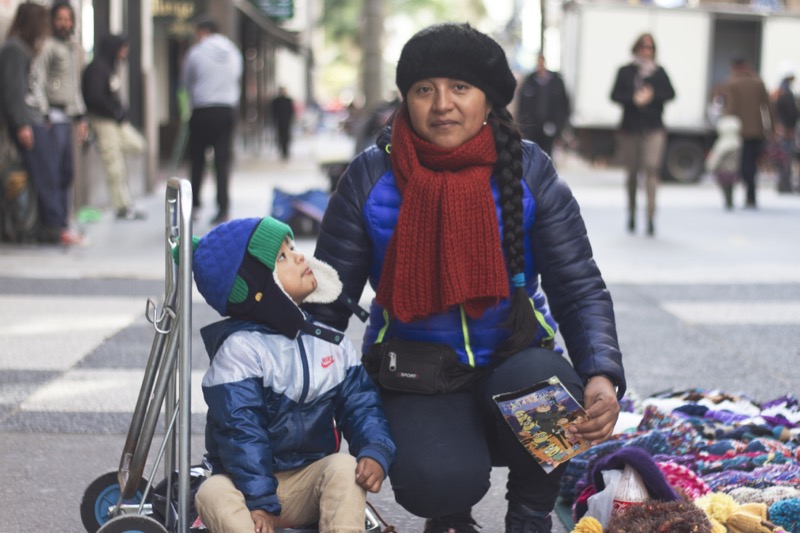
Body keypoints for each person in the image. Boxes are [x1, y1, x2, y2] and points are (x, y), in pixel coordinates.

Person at [308, 23, 625, 533]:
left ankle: (529, 514)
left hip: (514, 357)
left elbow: (578, 284)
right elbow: (325, 300)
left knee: (546, 385)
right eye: (423, 90)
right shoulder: (370, 178)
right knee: (436, 478)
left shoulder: (528, 171)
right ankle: (450, 518)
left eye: (460, 88)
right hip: (416, 373)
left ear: (488, 100)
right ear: (406, 100)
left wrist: (603, 374)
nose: (442, 105)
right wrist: (296, 389)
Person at [190, 216, 396, 533]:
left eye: (293, 248)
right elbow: (242, 433)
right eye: (282, 257)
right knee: (212, 492)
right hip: (245, 488)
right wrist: (260, 503)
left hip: (305, 481)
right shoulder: (240, 350)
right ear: (257, 288)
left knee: (343, 467)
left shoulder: (329, 343)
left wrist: (375, 450)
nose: (299, 256)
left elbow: (361, 404)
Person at [0, 2, 83, 245]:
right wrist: (23, 124)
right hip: (28, 123)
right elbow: (14, 93)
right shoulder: (15, 49)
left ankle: (54, 226)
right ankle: (55, 229)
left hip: (35, 120)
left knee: (51, 174)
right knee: (46, 175)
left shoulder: (22, 48)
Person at [610, 33, 675, 236]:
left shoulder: (659, 72)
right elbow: (614, 95)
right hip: (631, 129)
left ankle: (650, 216)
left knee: (652, 170)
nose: (647, 51)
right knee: (632, 173)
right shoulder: (625, 71)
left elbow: (671, 93)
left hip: (653, 129)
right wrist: (634, 98)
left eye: (651, 48)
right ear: (637, 48)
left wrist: (652, 96)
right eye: (644, 47)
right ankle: (631, 213)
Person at [34, 2, 89, 236]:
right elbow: (37, 79)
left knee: (67, 172)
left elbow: (75, 87)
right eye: (60, 19)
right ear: (52, 21)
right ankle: (54, 225)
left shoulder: (73, 48)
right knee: (53, 172)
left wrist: (82, 117)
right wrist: (44, 111)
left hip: (68, 118)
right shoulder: (47, 46)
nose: (64, 23)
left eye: (68, 19)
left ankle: (63, 221)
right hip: (51, 119)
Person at [181, 18, 242, 225]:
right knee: (222, 163)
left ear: (203, 31)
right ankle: (223, 208)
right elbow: (237, 78)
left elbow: (186, 82)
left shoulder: (195, 53)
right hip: (226, 110)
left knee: (197, 160)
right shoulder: (234, 52)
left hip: (202, 110)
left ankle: (194, 205)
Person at [81, 33, 147, 221]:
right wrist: (113, 111)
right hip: (102, 121)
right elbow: (95, 98)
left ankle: (123, 204)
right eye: (122, 49)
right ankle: (121, 206)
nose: (124, 53)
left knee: (137, 145)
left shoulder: (109, 68)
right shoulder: (96, 69)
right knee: (114, 165)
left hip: (116, 122)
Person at [720, 57, 774, 208]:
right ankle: (751, 195)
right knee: (751, 163)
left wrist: (723, 124)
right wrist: (772, 128)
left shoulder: (732, 84)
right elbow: (768, 107)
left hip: (737, 131)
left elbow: (730, 109)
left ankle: (731, 195)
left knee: (734, 163)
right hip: (757, 131)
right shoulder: (759, 83)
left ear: (735, 67)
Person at [516, 52, 570, 157]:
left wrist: (560, 125)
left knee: (547, 152)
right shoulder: (530, 81)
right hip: (532, 127)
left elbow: (564, 105)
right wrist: (522, 124)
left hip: (550, 125)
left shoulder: (556, 82)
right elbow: (522, 105)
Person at [705, 115, 742, 210]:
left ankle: (727, 201)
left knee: (724, 186)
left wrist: (710, 166)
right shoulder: (738, 142)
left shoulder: (722, 143)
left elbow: (716, 156)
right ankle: (730, 200)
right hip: (734, 170)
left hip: (723, 170)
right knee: (731, 187)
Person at [772, 62, 798, 193]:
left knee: (782, 157)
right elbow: (791, 113)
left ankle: (783, 185)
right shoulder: (785, 93)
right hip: (786, 130)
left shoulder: (779, 91)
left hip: (782, 129)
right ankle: (784, 186)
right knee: (785, 157)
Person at [269, 86, 295, 161]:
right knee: (280, 136)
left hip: (286, 121)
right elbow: (273, 112)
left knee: (286, 135)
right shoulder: (276, 101)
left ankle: (286, 150)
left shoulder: (288, 100)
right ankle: (282, 150)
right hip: (279, 121)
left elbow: (291, 111)